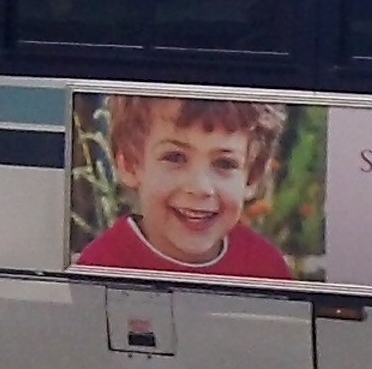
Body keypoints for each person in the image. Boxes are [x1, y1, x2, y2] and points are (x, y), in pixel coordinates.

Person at [73, 95, 294, 279]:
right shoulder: (101, 267)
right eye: (175, 157)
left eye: (224, 163)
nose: (200, 188)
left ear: (252, 176)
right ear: (131, 166)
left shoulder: (266, 269)